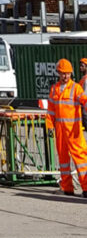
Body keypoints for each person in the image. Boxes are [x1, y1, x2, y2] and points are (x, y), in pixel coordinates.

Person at [47, 58, 87, 197]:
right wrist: (49, 125)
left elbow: (85, 100)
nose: (65, 76)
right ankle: (67, 187)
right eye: (63, 73)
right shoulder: (54, 89)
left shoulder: (76, 88)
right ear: (58, 73)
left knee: (80, 159)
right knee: (63, 160)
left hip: (74, 131)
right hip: (60, 130)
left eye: (68, 74)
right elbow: (51, 110)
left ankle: (86, 187)